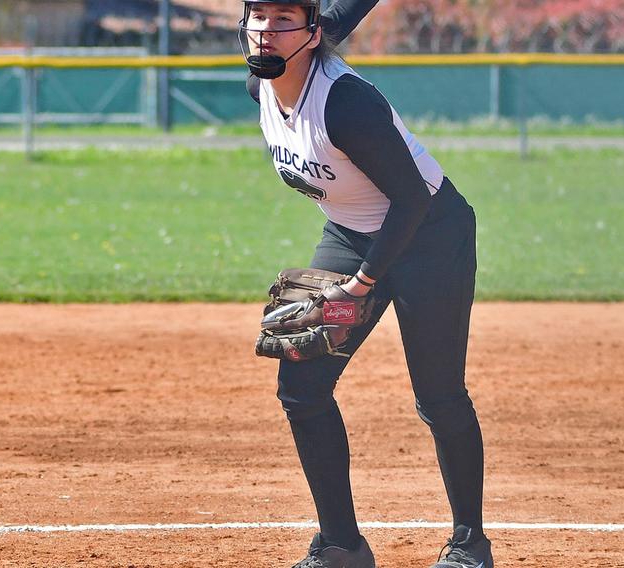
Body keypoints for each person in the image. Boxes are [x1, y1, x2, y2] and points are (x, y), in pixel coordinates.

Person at [238, 1, 493, 567]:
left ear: (311, 33)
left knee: (438, 394)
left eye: (283, 21)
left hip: (431, 236)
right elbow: (332, 18)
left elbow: (411, 199)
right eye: (257, 18)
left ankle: (469, 545)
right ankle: (341, 546)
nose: (265, 33)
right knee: (300, 387)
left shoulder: (346, 104)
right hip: (352, 232)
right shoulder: (262, 86)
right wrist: (356, 272)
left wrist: (362, 284)